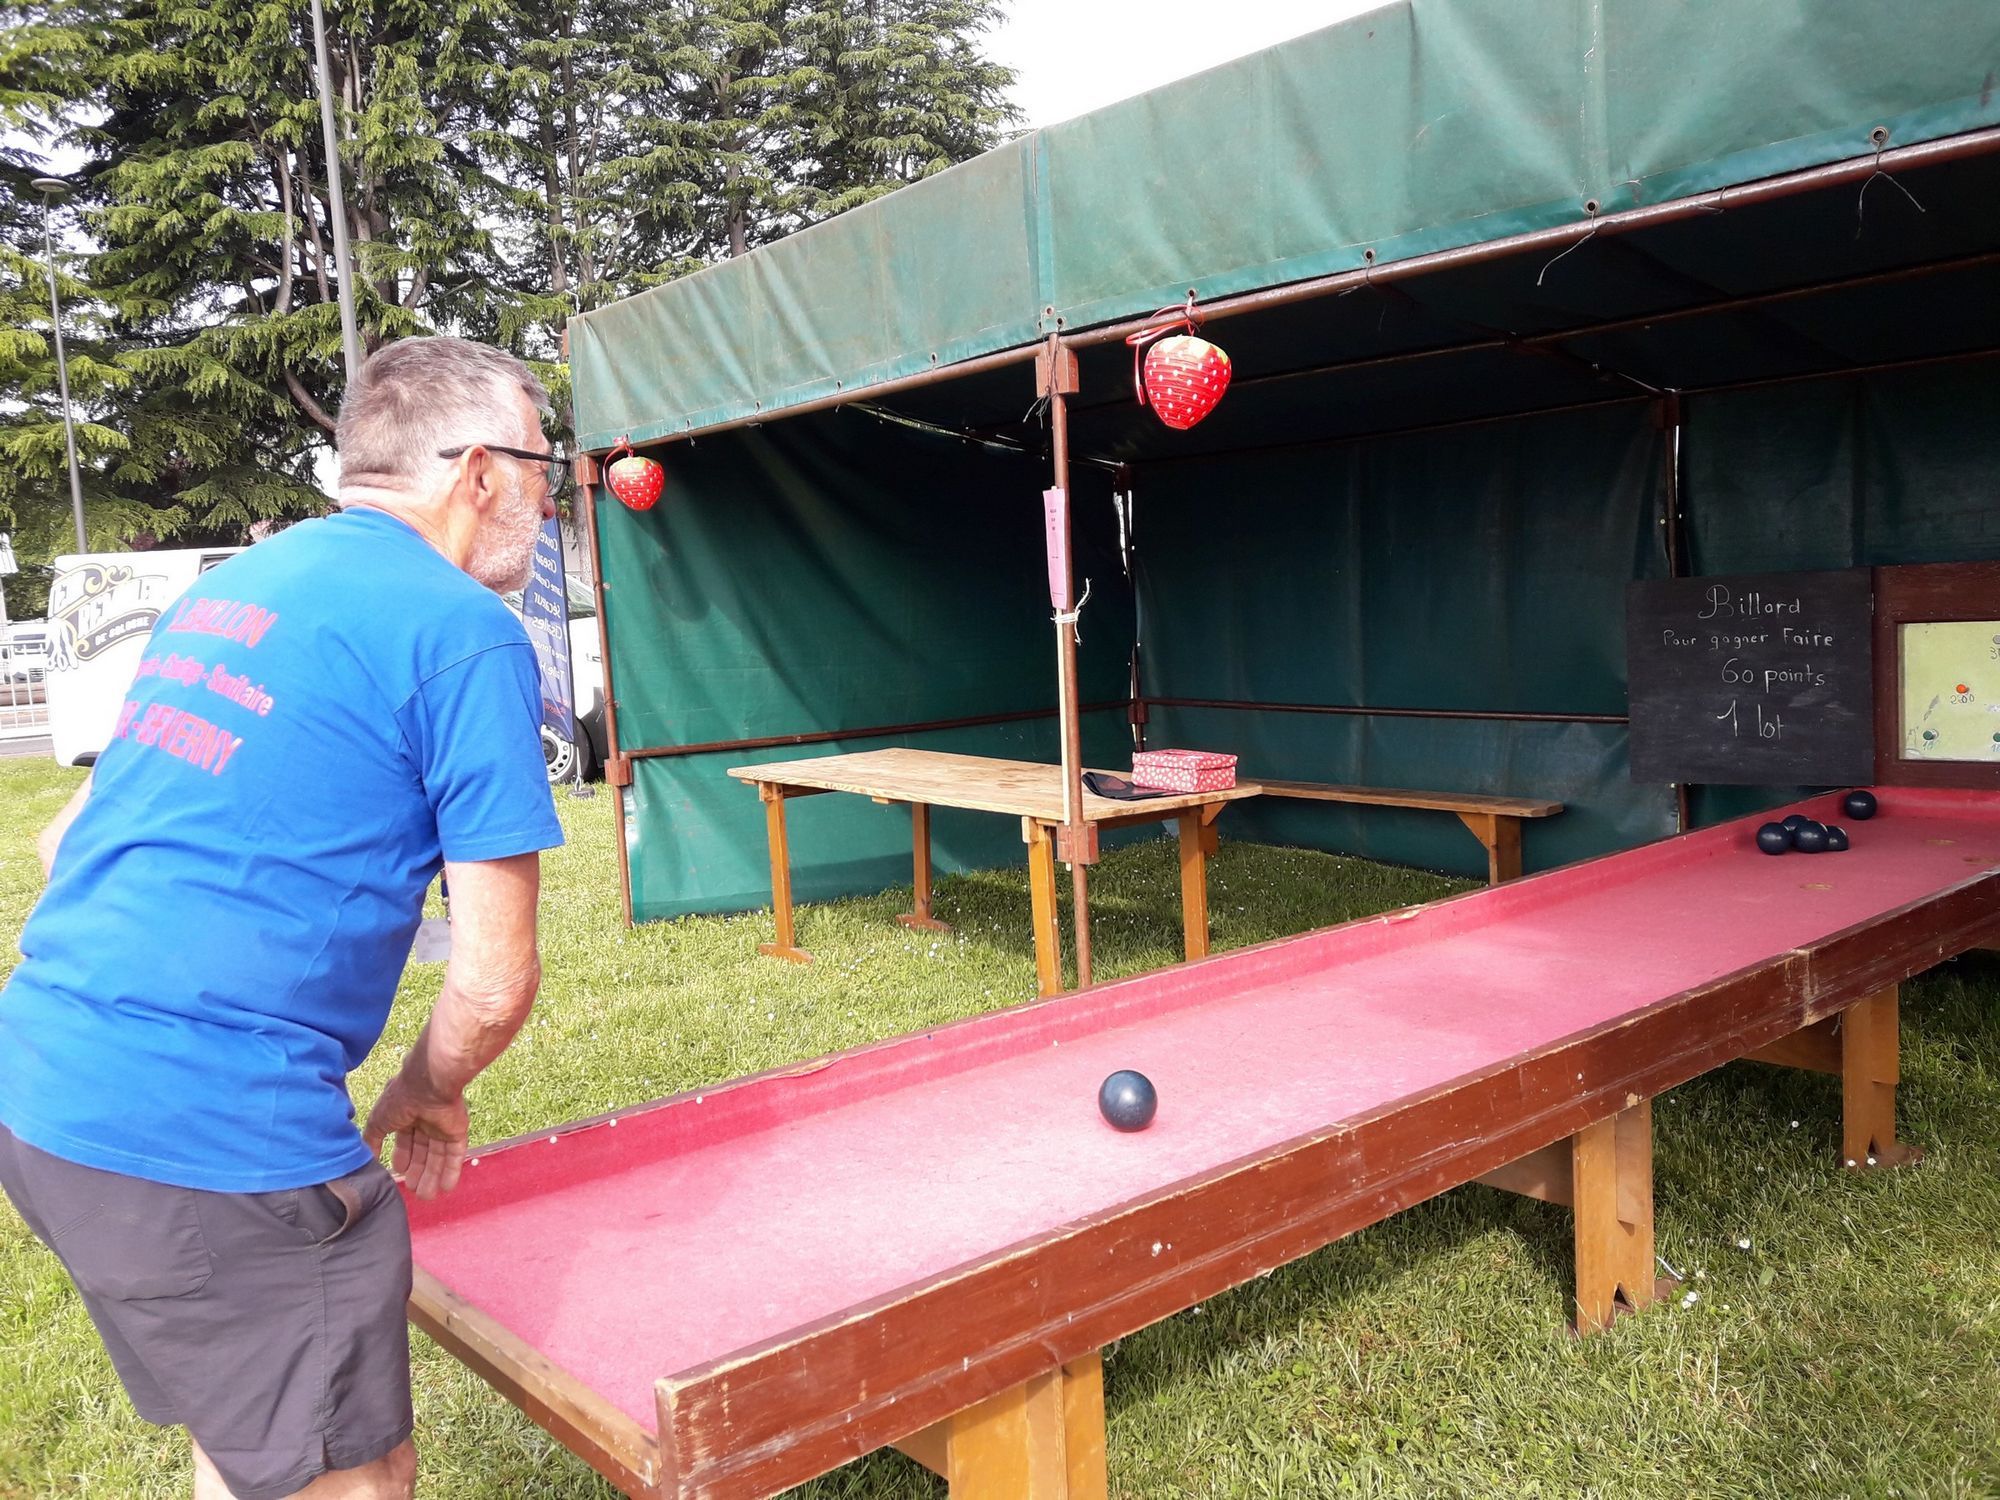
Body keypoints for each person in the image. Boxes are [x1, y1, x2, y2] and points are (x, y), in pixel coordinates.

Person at [0, 336, 569, 1500]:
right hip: (212, 1140)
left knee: (264, 1434)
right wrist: (425, 1087)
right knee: (350, 1476)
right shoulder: (462, 632)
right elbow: (495, 978)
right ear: (476, 474)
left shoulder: (235, 587)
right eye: (543, 465)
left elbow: (65, 843)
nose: (549, 496)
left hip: (41, 1086)